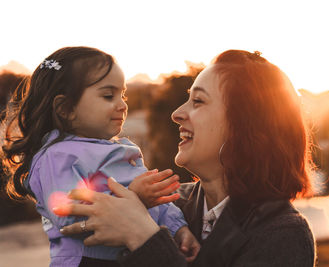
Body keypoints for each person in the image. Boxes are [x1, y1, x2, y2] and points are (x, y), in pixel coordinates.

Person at [54, 49, 316, 266]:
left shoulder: (283, 235)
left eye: (198, 102)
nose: (177, 113)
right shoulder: (166, 205)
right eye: (186, 100)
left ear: (245, 124)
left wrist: (144, 237)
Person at [1, 46, 199, 267]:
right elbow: (69, 217)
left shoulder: (122, 151)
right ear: (65, 108)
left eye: (122, 94)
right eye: (108, 96)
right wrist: (133, 199)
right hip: (86, 261)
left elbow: (156, 202)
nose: (122, 105)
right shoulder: (57, 156)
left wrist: (179, 229)